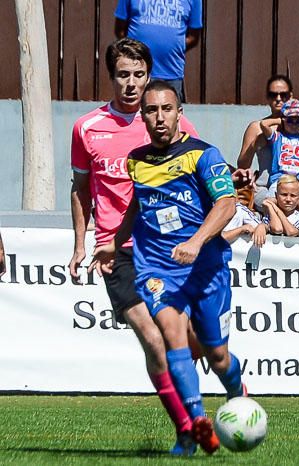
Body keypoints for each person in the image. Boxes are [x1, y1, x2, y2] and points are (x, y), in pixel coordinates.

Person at [92, 80, 247, 455]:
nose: (159, 117)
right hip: (158, 267)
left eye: (166, 109)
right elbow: (137, 206)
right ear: (142, 116)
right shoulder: (137, 161)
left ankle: (236, 391)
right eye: (151, 110)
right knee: (171, 334)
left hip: (205, 267)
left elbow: (226, 203)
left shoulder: (203, 155)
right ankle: (196, 428)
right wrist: (114, 242)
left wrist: (196, 242)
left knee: (217, 355)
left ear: (180, 113)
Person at [69, 38, 200, 456]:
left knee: (187, 339)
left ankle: (192, 403)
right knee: (151, 336)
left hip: (167, 249)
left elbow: (203, 175)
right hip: (117, 249)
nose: (131, 84)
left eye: (138, 75)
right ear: (111, 77)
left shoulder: (174, 124)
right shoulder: (87, 128)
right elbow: (81, 188)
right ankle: (187, 429)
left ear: (149, 75)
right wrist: (81, 244)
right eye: (122, 75)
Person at [237, 75, 299, 212]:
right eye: (273, 95)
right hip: (266, 187)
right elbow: (243, 164)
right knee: (274, 206)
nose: (278, 99)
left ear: (291, 96)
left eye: (284, 95)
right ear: (267, 98)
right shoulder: (256, 127)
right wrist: (255, 144)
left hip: (296, 187)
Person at [115, 0, 202, 102]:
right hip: (135, 73)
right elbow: (120, 29)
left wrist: (173, 49)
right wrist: (133, 54)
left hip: (171, 73)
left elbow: (193, 37)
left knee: (168, 114)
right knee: (134, 115)